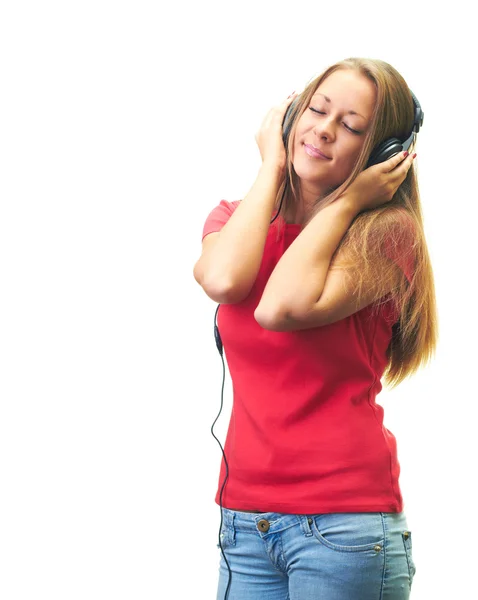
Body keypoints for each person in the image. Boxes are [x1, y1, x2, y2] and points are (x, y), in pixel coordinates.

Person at [193, 57, 438, 600]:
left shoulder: (386, 235)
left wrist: (348, 200)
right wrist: (271, 169)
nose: (324, 129)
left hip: (343, 527)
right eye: (316, 109)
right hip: (244, 521)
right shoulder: (232, 217)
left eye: (351, 126)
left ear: (384, 155)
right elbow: (224, 279)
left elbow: (280, 306)